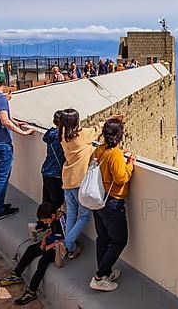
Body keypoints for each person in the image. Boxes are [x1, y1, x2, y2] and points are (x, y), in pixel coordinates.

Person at [59, 109, 120, 259]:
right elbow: (98, 129)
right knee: (85, 216)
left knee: (72, 214)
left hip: (67, 180)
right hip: (80, 182)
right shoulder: (82, 134)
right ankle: (67, 244)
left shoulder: (62, 136)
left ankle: (70, 248)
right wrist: (110, 118)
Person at [89, 118, 135, 292]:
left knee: (103, 238)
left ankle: (104, 272)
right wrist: (129, 165)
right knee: (119, 240)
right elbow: (121, 178)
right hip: (112, 202)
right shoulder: (114, 153)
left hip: (98, 199)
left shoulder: (99, 150)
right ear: (119, 135)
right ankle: (99, 277)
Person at [0, 71, 35, 220]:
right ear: (4, 82)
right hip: (2, 144)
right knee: (2, 178)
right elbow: (4, 120)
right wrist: (23, 132)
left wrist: (14, 121)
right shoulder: (0, 99)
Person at [0, 202, 66, 306]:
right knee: (31, 249)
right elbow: (51, 231)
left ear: (52, 215)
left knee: (43, 261)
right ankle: (17, 274)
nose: (45, 222)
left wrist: (50, 246)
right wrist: (44, 239)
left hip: (58, 247)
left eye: (45, 220)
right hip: (50, 242)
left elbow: (67, 239)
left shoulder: (62, 220)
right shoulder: (52, 217)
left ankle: (31, 291)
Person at [41, 110, 65, 209]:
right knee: (56, 202)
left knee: (46, 201)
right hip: (56, 173)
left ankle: (42, 222)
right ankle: (51, 222)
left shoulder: (50, 134)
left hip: (46, 170)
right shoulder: (62, 137)